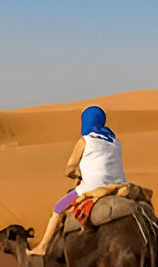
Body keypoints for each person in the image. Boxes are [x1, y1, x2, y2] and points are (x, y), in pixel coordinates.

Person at [28, 105, 127, 256]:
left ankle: (42, 246)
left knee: (58, 209)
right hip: (119, 186)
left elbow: (69, 169)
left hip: (91, 187)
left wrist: (77, 175)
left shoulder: (85, 141)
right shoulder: (115, 141)